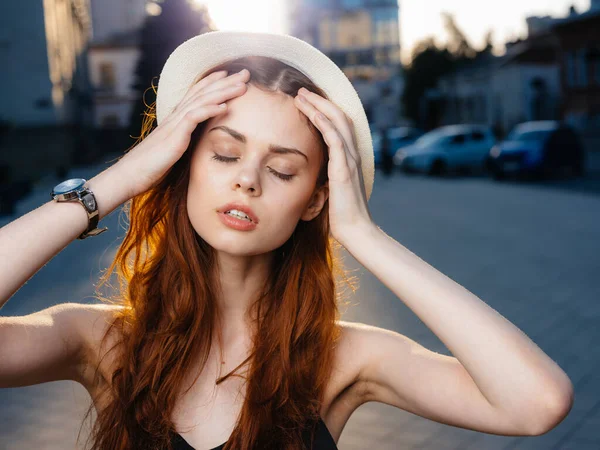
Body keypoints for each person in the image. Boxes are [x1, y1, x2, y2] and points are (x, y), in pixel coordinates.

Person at [0, 31, 573, 450]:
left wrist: (360, 233)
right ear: (182, 164)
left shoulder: (343, 356)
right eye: (225, 154)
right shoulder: (102, 340)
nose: (247, 178)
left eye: (282, 170)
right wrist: (118, 180)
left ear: (315, 199)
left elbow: (536, 403)